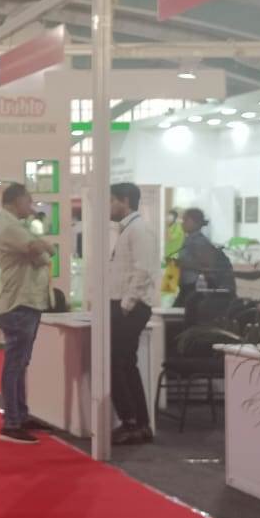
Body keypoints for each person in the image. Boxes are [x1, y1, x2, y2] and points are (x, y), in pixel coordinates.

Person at [0, 183, 54, 444]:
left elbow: (42, 255)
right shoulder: (9, 227)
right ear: (16, 201)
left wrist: (43, 247)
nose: (31, 206)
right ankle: (11, 423)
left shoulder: (17, 226)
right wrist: (44, 246)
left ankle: (20, 414)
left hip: (26, 301)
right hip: (19, 303)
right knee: (15, 364)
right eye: (28, 201)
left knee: (20, 364)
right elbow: (39, 251)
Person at [107, 183, 159, 445]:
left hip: (131, 306)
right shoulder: (129, 229)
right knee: (124, 363)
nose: (109, 206)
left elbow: (143, 271)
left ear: (125, 201)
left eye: (111, 200)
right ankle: (138, 423)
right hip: (124, 304)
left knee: (118, 363)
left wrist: (126, 304)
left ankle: (133, 422)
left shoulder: (139, 230)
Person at [174, 208, 235, 305]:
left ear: (195, 222)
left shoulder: (199, 241)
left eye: (186, 220)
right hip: (186, 287)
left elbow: (207, 266)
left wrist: (184, 264)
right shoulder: (189, 239)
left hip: (195, 287)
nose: (182, 223)